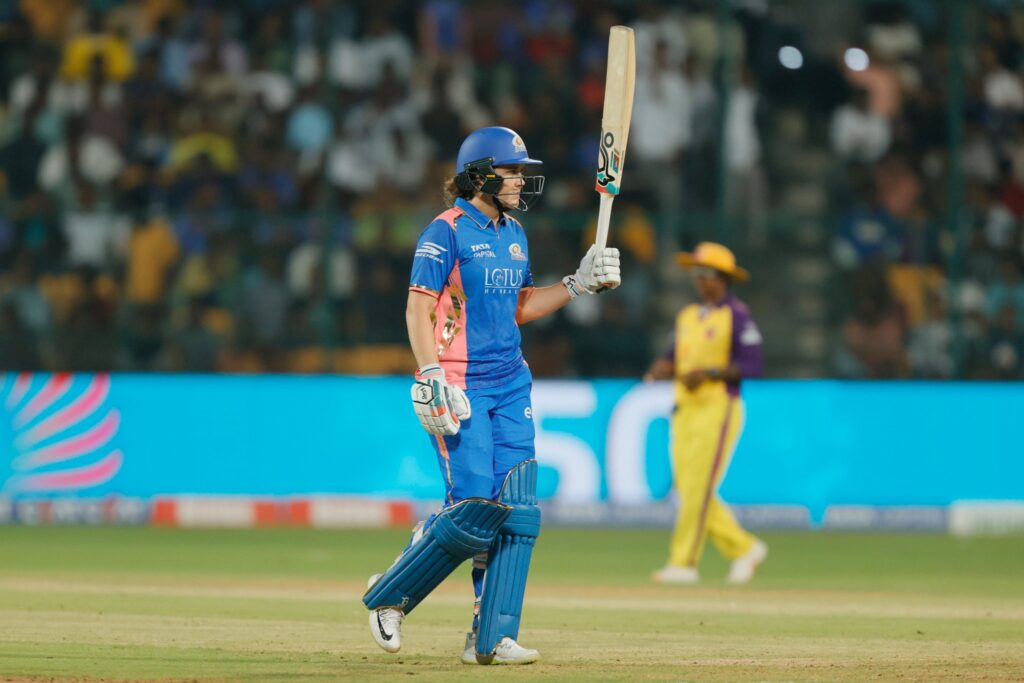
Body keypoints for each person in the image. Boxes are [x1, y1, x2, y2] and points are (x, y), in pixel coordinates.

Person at [362, 126, 621, 664]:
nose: (520, 181)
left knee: (519, 511)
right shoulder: (445, 232)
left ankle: (491, 636)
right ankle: (392, 590)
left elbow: (521, 306)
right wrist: (429, 371)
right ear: (479, 173)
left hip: (511, 382)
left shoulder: (515, 233)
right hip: (459, 382)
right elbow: (418, 308)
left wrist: (578, 283)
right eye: (512, 171)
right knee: (476, 506)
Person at [643, 242, 767, 584]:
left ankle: (684, 563)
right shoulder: (688, 316)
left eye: (705, 274)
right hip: (684, 409)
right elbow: (672, 355)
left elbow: (753, 365)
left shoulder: (737, 315)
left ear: (722, 278)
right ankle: (743, 547)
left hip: (718, 407)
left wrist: (709, 374)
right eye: (696, 273)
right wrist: (661, 368)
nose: (698, 280)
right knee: (689, 488)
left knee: (698, 487)